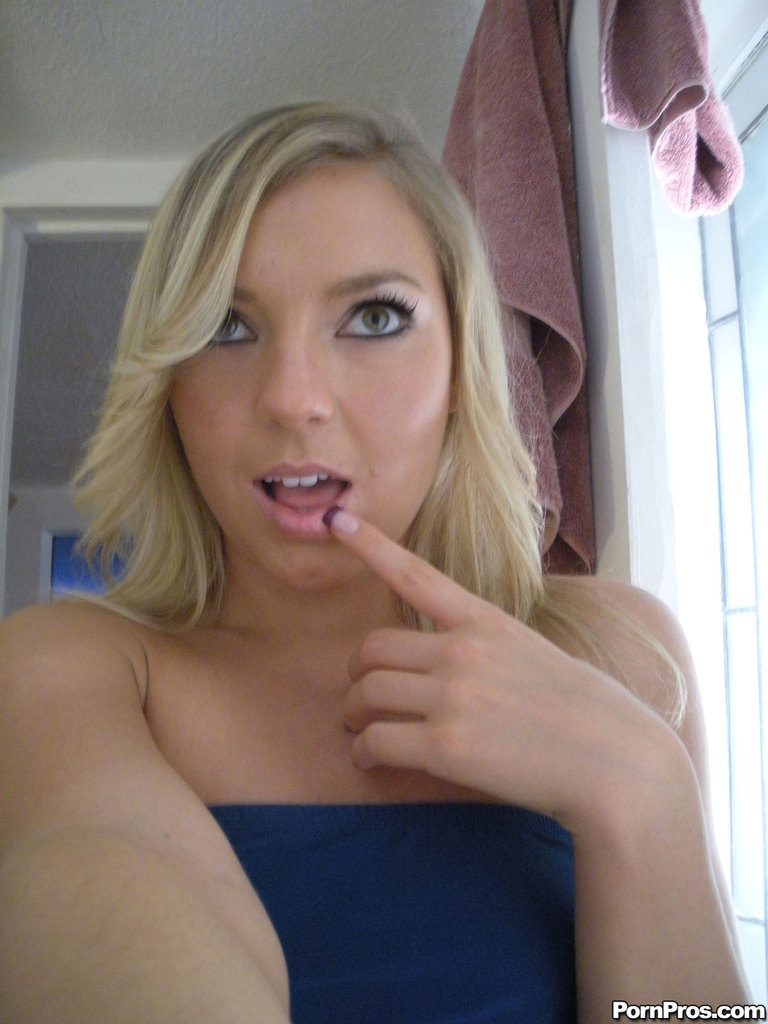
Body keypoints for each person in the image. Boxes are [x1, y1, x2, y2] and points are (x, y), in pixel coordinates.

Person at [0, 101, 750, 1023]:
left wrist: (647, 794)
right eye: (225, 327)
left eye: (374, 316)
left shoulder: (622, 655)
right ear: (167, 389)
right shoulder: (71, 670)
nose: (292, 399)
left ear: (460, 370)